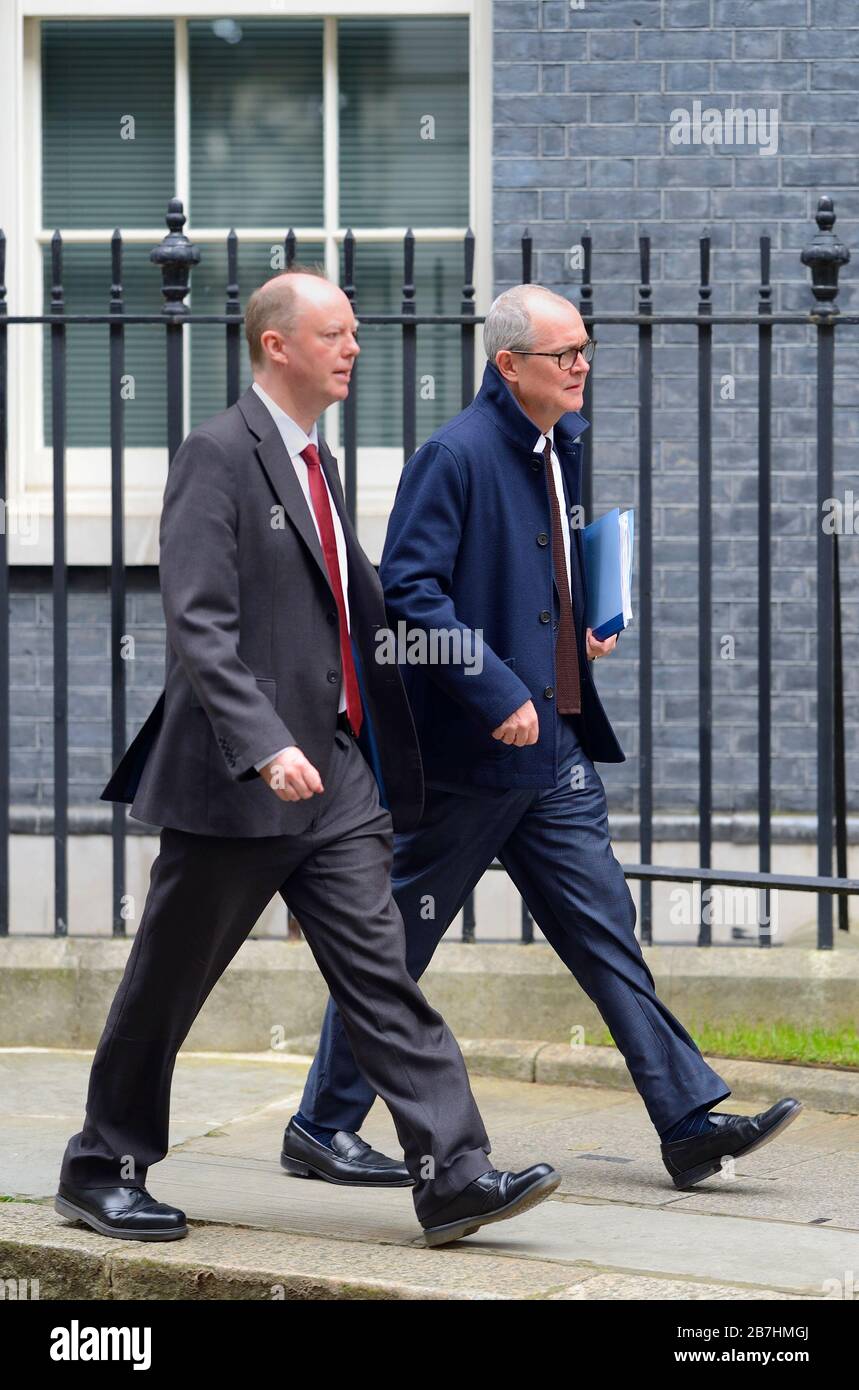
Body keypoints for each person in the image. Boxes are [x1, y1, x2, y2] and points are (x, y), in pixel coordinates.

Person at [55, 269, 561, 1249]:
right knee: (167, 981)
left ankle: (452, 1172)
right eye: (334, 331)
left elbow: (364, 607)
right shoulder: (218, 455)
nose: (353, 347)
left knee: (381, 975)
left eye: (356, 332)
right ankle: (100, 1167)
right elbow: (200, 624)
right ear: (275, 345)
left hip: (332, 777)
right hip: (235, 782)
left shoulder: (314, 464)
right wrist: (266, 742)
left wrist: (478, 680)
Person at [289, 283, 801, 1194]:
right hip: (470, 759)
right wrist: (493, 688)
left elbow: (524, 577)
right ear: (508, 364)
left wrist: (579, 624)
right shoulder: (452, 455)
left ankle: (686, 1121)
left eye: (585, 350)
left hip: (553, 750)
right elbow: (407, 598)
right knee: (397, 943)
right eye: (564, 354)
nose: (581, 366)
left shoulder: (557, 442)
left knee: (606, 932)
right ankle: (321, 1125)